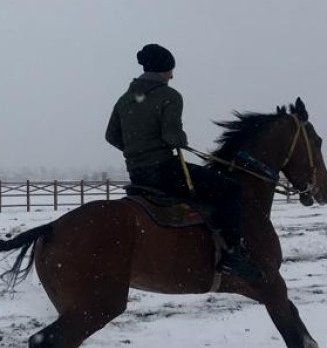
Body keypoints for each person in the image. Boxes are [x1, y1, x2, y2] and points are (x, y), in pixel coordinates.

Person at [105, 44, 262, 283]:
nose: (172, 75)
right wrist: (179, 139)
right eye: (170, 70)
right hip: (164, 171)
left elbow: (111, 136)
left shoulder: (125, 99)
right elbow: (172, 137)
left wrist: (136, 151)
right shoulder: (169, 95)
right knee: (231, 189)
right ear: (162, 71)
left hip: (137, 174)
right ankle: (233, 255)